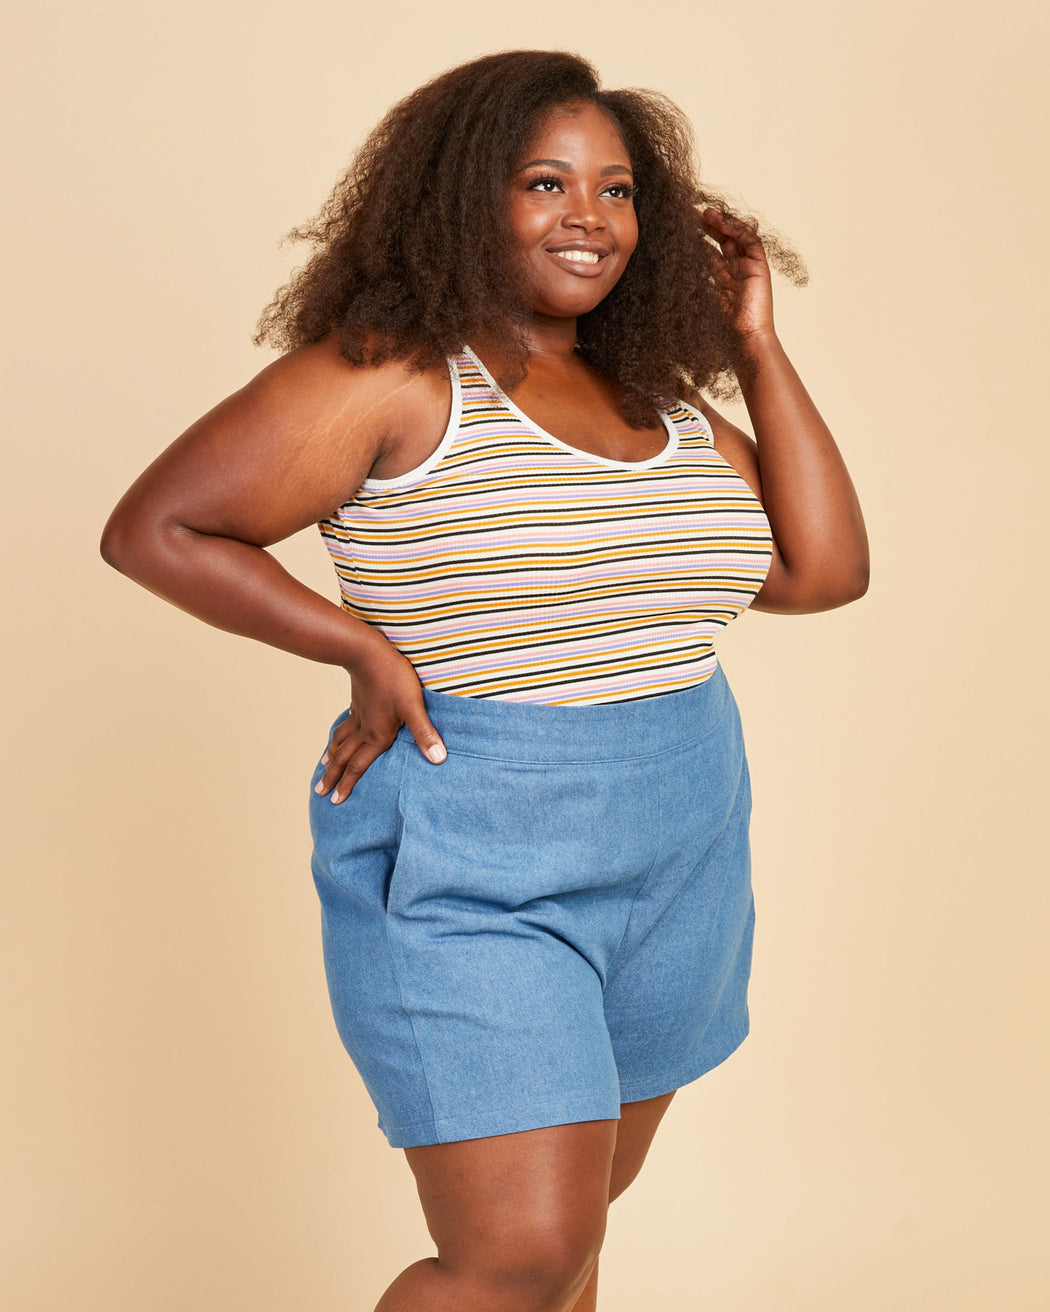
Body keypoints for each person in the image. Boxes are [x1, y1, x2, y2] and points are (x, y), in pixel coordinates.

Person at [100, 48, 868, 1312]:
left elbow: (823, 569)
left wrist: (755, 342)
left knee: (570, 1245)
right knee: (514, 1253)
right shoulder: (394, 376)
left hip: (681, 841)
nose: (589, 217)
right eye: (545, 182)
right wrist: (359, 643)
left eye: (617, 191)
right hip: (477, 846)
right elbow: (161, 527)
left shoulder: (659, 399)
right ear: (467, 196)